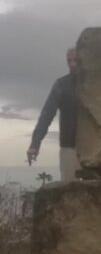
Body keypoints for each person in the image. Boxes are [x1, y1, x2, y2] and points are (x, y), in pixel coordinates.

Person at [27, 47, 79, 183]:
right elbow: (47, 114)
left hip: (95, 147)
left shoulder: (97, 83)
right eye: (69, 61)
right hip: (69, 147)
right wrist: (35, 144)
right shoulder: (61, 84)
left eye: (76, 60)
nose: (72, 64)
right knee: (69, 190)